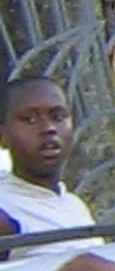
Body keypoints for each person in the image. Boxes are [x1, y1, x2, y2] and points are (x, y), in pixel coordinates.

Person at [3, 75, 95, 236]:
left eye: (58, 117)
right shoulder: (6, 208)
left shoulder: (74, 206)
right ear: (2, 135)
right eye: (29, 119)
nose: (49, 128)